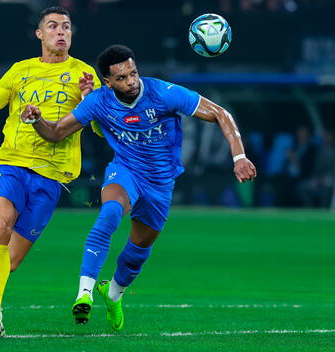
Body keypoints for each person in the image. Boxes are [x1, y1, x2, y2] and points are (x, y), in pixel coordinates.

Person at [21, 44, 256, 331]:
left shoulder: (163, 93)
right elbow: (56, 132)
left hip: (161, 183)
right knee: (109, 213)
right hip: (126, 170)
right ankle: (84, 293)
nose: (131, 81)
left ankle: (114, 293)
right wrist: (36, 121)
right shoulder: (98, 101)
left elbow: (222, 114)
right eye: (121, 78)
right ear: (107, 82)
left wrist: (240, 156)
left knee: (138, 251)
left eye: (133, 73)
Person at [0, 6, 101, 338]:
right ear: (39, 34)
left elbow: (102, 131)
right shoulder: (20, 71)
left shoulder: (84, 75)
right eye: (54, 26)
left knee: (9, 261)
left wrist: (91, 99)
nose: (61, 32)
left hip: (53, 175)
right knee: (0, 223)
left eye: (67, 27)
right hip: (12, 162)